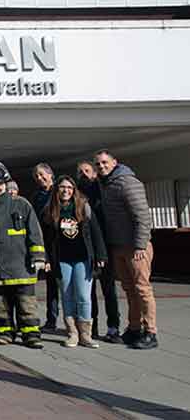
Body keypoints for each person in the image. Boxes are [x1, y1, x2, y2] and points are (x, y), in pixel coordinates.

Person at [0, 162, 46, 349]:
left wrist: (38, 257)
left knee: (26, 303)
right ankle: (4, 332)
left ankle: (31, 334)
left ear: (5, 184)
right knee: (0, 305)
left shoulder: (22, 205)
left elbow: (34, 233)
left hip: (21, 265)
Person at [95, 150, 157, 350]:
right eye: (98, 164)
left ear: (114, 162)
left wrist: (140, 245)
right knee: (130, 290)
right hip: (119, 246)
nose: (102, 166)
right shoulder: (106, 184)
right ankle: (134, 328)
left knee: (143, 290)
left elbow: (142, 216)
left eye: (105, 162)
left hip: (135, 247)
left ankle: (151, 332)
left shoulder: (127, 182)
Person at [41, 176, 107, 348]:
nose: (66, 191)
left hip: (83, 259)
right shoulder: (49, 210)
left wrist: (101, 255)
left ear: (74, 190)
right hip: (62, 260)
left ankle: (86, 334)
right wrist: (46, 259)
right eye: (62, 187)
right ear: (57, 190)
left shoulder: (83, 207)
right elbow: (46, 239)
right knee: (67, 296)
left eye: (69, 188)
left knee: (84, 297)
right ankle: (72, 333)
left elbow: (96, 232)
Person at [77, 159, 122, 343]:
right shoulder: (77, 197)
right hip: (86, 250)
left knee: (109, 289)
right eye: (80, 172)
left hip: (105, 246)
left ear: (94, 173)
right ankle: (91, 327)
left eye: (87, 170)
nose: (84, 175)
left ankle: (113, 327)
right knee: (88, 292)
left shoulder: (102, 192)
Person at [31, 162, 59, 333]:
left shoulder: (60, 191)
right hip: (48, 244)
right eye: (37, 176)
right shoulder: (37, 197)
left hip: (64, 243)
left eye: (42, 175)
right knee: (52, 286)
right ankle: (52, 319)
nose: (40, 178)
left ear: (50, 174)